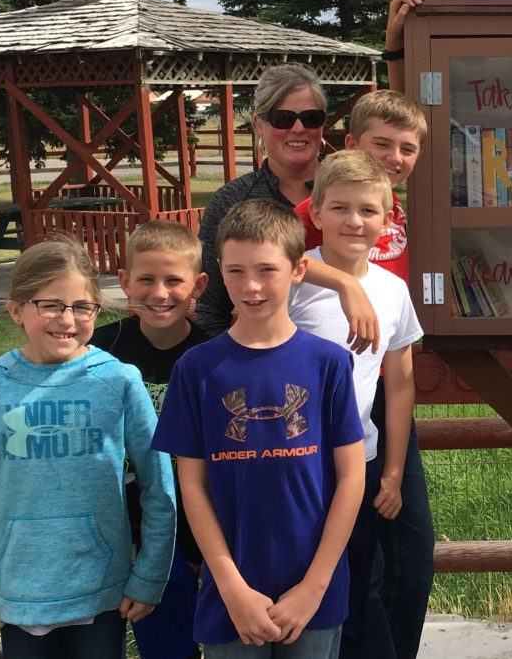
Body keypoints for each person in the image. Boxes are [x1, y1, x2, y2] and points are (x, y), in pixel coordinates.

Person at [152, 199, 365, 657]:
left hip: (315, 590)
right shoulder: (196, 369)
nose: (250, 286)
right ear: (219, 271)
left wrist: (314, 586)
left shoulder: (328, 364)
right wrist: (231, 587)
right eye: (235, 271)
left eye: (267, 269)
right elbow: (191, 486)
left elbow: (351, 477)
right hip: (229, 593)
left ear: (298, 269)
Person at [0, 238, 176, 658]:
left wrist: (150, 575)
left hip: (102, 593)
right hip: (18, 596)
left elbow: (159, 486)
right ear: (17, 309)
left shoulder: (120, 381)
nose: (67, 319)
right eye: (50, 304)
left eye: (81, 306)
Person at [291, 88, 433, 659]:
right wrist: (344, 283)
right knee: (306, 577)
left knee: (364, 574)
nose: (355, 220)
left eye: (368, 210)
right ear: (316, 211)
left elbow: (399, 381)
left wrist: (394, 470)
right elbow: (266, 271)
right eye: (342, 209)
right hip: (296, 454)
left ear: (386, 215)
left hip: (365, 454)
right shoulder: (293, 274)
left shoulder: (393, 288)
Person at [90, 220, 210, 659]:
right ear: (124, 283)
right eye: (145, 279)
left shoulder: (211, 356)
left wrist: (197, 547)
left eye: (173, 280)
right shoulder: (97, 352)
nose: (160, 294)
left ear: (197, 285)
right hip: (110, 523)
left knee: (172, 645)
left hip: (184, 530)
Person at [195, 64, 378, 352]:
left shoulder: (358, 193)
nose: (298, 128)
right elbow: (211, 308)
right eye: (282, 119)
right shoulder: (231, 201)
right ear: (259, 124)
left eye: (311, 118)